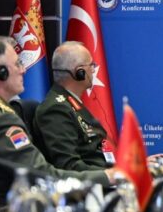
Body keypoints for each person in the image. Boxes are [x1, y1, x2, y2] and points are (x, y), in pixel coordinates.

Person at [0, 36, 115, 202]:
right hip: (13, 210)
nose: (23, 70)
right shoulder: (0, 120)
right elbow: (41, 175)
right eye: (17, 64)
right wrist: (107, 177)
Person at [34, 41, 112, 171]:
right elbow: (69, 165)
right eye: (91, 65)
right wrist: (114, 174)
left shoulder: (71, 103)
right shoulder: (56, 109)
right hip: (91, 182)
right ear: (79, 72)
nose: (94, 70)